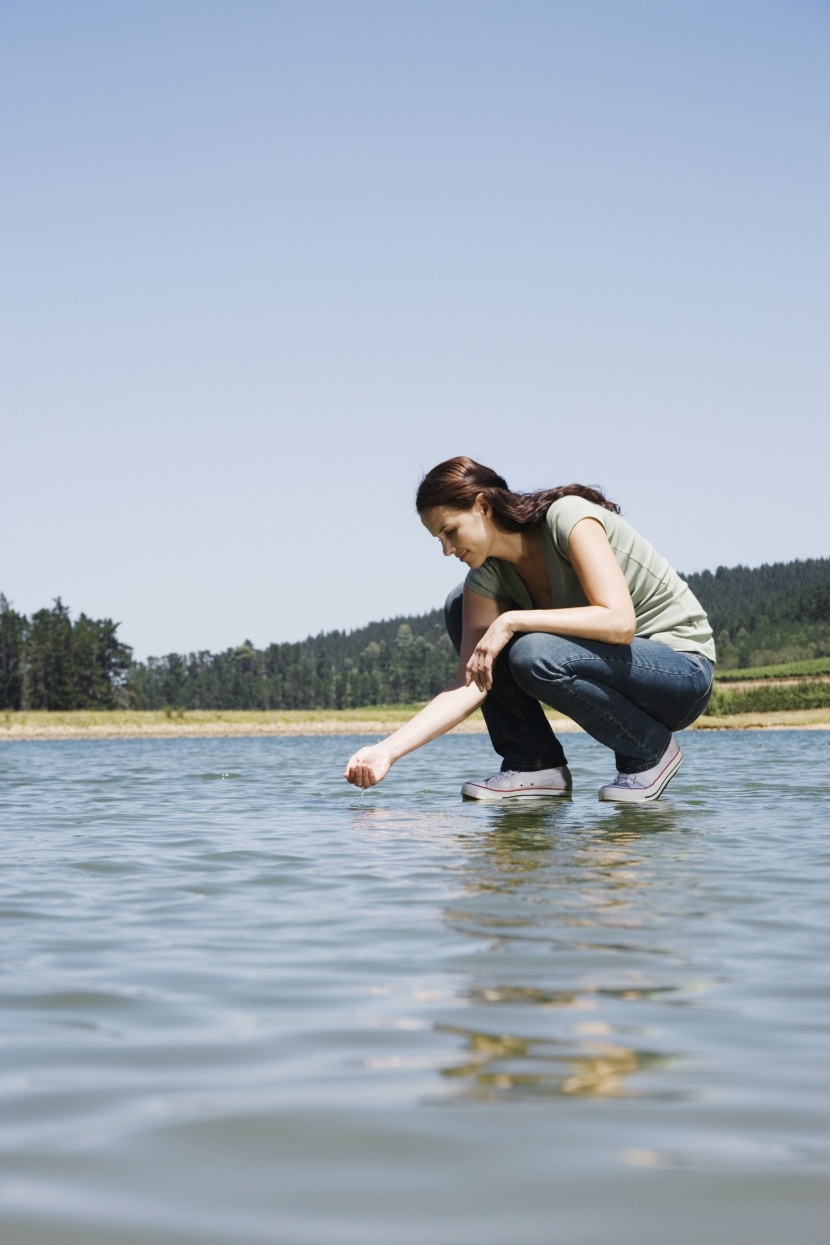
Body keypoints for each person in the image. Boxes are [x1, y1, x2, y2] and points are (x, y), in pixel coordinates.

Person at [344, 457, 715, 803]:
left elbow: (618, 623)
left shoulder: (569, 518)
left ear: (483, 507)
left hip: (681, 674)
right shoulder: (487, 576)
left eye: (451, 531)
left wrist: (511, 621)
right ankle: (535, 766)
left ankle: (648, 752)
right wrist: (385, 751)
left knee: (532, 653)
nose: (446, 550)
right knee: (461, 605)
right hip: (620, 672)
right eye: (438, 539)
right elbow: (470, 684)